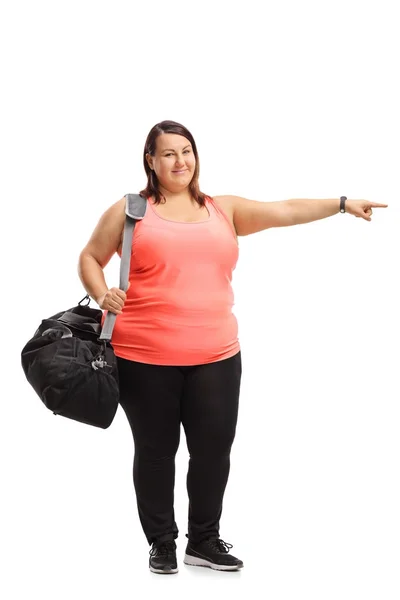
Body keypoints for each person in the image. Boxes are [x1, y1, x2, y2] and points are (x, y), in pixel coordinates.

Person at [78, 120, 388, 574]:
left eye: (187, 151)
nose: (180, 161)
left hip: (217, 356)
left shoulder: (223, 210)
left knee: (213, 451)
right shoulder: (131, 211)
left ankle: (203, 540)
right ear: (151, 161)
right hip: (144, 357)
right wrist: (101, 289)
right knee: (156, 452)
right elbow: (90, 256)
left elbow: (284, 209)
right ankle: (162, 543)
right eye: (168, 154)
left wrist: (341, 204)